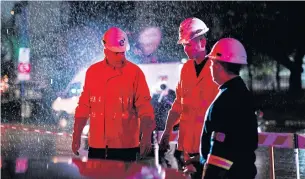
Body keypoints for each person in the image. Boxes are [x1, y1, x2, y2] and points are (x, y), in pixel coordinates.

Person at [72, 27, 156, 162]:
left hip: (127, 148)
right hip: (98, 147)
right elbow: (83, 107)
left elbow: (145, 109)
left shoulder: (135, 73)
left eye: (122, 53)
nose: (120, 57)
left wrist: (146, 136)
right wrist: (76, 136)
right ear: (105, 50)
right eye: (115, 53)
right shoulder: (93, 73)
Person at [159, 17, 219, 178]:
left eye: (189, 44)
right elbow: (178, 105)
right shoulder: (186, 69)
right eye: (184, 45)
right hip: (187, 150)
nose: (185, 49)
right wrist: (167, 131)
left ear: (203, 42)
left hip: (209, 151)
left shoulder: (217, 69)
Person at [200, 38, 258, 179]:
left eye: (212, 63)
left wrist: (209, 174)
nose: (210, 67)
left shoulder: (226, 99)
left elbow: (221, 150)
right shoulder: (242, 93)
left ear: (219, 66)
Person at [151, 82, 179, 169]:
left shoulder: (173, 97)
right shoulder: (156, 97)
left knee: (168, 155)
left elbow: (176, 112)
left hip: (171, 131)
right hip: (159, 130)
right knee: (160, 156)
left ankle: (173, 175)